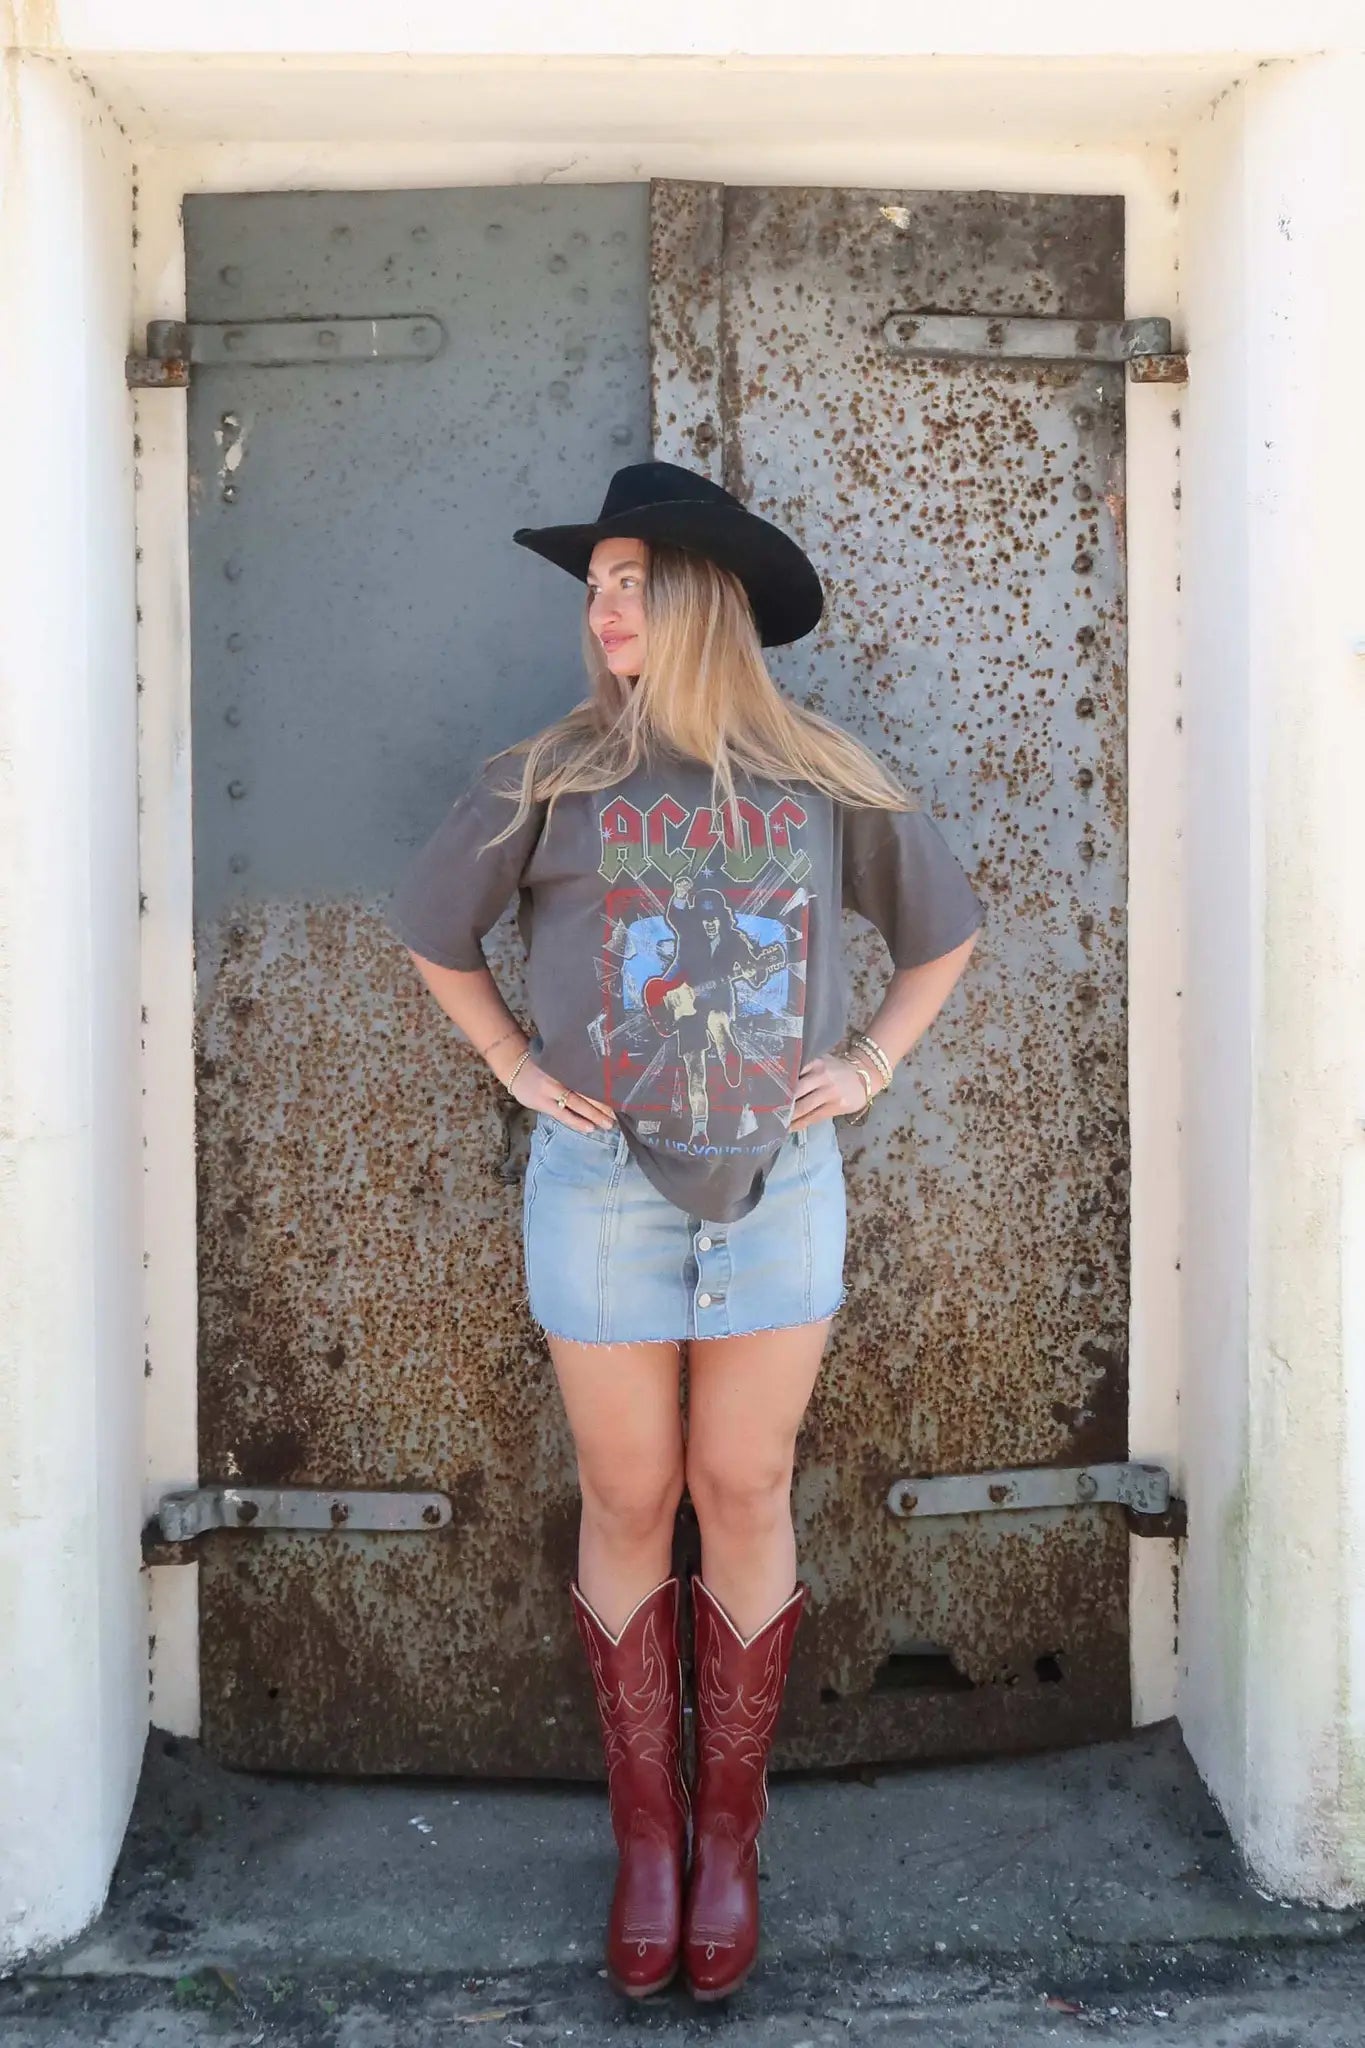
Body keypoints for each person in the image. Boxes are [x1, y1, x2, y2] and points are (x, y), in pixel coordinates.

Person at [387, 460, 982, 2003]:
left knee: (746, 1482)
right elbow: (433, 930)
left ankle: (730, 1841)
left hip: (780, 1183)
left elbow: (941, 934)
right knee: (629, 1491)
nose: (603, 607)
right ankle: (645, 1843)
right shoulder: (548, 777)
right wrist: (516, 1065)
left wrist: (870, 1064)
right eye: (595, 585)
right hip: (598, 1185)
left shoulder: (821, 779)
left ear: (704, 600)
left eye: (631, 581)